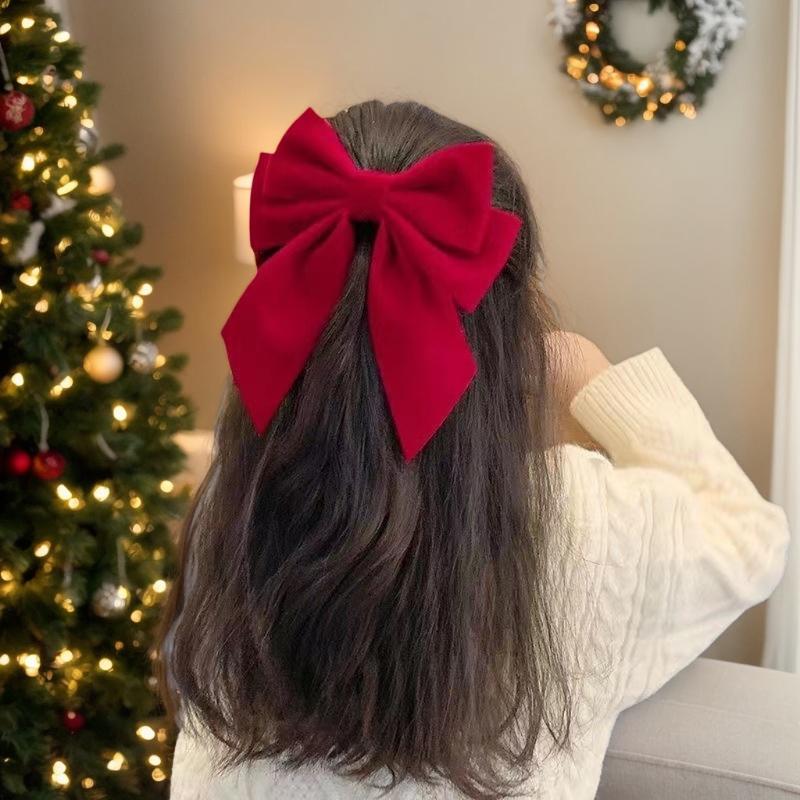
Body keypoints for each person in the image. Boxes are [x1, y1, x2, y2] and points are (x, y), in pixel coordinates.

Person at [161, 100, 789, 800]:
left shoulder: (234, 500)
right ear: (508, 320)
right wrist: (587, 371)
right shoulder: (580, 521)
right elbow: (748, 536)